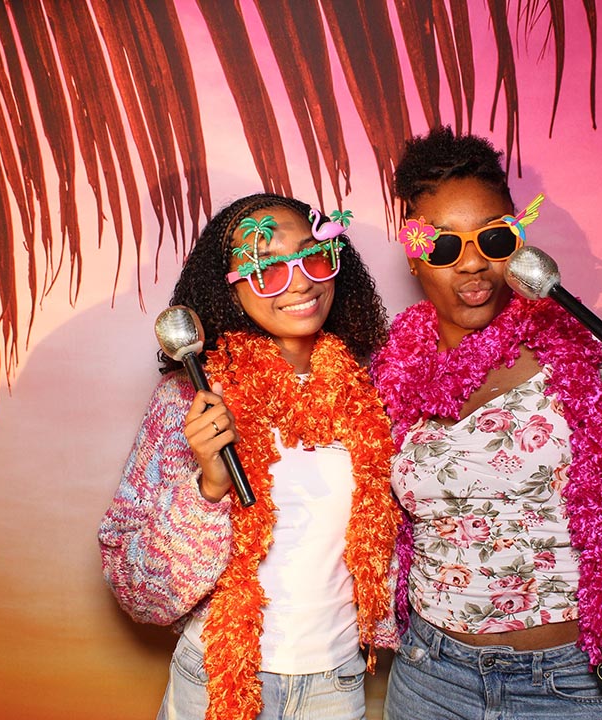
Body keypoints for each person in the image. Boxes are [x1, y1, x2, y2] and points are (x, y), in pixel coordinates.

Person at [371, 127, 602, 719]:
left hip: (569, 686)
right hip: (430, 679)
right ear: (414, 253)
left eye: (494, 237)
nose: (473, 263)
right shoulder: (389, 373)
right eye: (445, 245)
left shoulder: (585, 361)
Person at [98, 193, 401, 720]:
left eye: (313, 256)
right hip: (214, 680)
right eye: (265, 269)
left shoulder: (373, 391)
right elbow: (137, 590)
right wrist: (208, 487)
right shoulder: (189, 400)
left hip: (335, 684)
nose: (300, 282)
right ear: (231, 290)